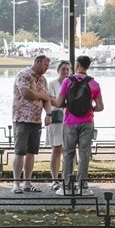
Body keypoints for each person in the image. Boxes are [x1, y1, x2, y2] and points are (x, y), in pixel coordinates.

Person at [56, 55, 104, 195]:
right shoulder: (94, 84)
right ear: (88, 66)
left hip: (70, 122)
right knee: (84, 155)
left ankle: (66, 186)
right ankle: (83, 186)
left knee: (68, 154)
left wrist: (69, 105)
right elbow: (100, 107)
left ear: (77, 65)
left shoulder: (67, 81)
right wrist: (89, 109)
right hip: (87, 122)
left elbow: (59, 103)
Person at [10, 53, 54, 193]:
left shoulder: (43, 80)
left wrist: (48, 114)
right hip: (22, 119)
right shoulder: (24, 75)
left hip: (36, 119)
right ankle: (16, 184)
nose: (47, 68)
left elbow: (47, 99)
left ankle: (27, 183)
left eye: (48, 66)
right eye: (45, 65)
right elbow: (25, 93)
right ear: (38, 62)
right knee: (20, 151)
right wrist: (41, 95)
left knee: (31, 152)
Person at [45, 61, 70, 189]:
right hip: (57, 119)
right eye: (63, 69)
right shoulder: (53, 83)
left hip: (69, 119)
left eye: (67, 69)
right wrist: (63, 103)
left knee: (68, 150)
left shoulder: (71, 83)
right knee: (56, 150)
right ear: (58, 70)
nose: (66, 72)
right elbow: (51, 100)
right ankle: (55, 180)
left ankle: (67, 178)